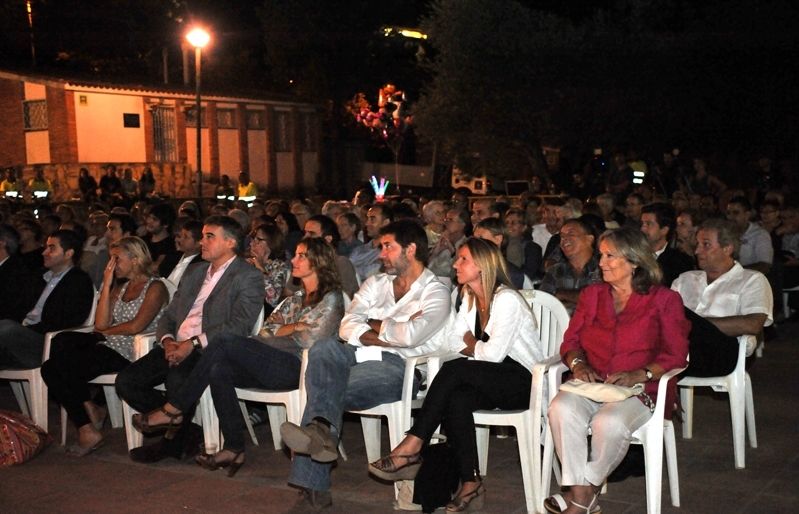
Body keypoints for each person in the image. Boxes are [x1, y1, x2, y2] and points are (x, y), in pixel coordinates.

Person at [130, 237, 345, 475]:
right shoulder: (293, 299)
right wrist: (294, 328)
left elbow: (311, 339)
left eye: (301, 255)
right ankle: (234, 447)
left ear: (319, 262)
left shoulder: (332, 299)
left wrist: (289, 329)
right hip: (268, 361)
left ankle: (174, 408)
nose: (293, 260)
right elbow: (266, 332)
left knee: (223, 339)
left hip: (296, 368)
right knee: (217, 368)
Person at [280, 219, 451, 509]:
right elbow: (347, 325)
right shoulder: (376, 283)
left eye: (388, 247)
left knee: (322, 394)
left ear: (410, 250)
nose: (380, 254)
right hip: (355, 355)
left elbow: (414, 335)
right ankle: (320, 432)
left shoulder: (436, 291)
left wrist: (372, 328)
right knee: (324, 348)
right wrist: (390, 330)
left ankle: (313, 478)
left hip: (400, 368)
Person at [368, 237, 544, 512]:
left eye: (463, 259)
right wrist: (474, 346)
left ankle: (414, 443)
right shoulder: (469, 297)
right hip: (487, 377)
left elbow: (493, 354)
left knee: (454, 370)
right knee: (457, 399)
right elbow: (451, 343)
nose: (454, 264)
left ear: (483, 266)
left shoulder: (507, 299)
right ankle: (470, 481)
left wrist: (471, 344)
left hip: (523, 380)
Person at [545, 227, 689, 514]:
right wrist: (578, 364)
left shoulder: (664, 300)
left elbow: (676, 354)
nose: (601, 263)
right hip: (593, 383)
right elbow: (571, 342)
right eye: (601, 255)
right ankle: (583, 493)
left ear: (635, 262)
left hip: (640, 389)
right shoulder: (592, 295)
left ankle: (580, 498)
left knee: (608, 423)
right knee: (559, 408)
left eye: (611, 256)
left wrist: (641, 374)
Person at [115, 216, 264, 463]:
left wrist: (193, 343)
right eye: (203, 236)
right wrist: (167, 340)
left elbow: (240, 325)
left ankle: (171, 443)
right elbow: (170, 314)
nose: (202, 242)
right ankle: (188, 428)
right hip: (174, 345)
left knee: (178, 380)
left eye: (209, 237)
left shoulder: (247, 276)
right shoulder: (195, 271)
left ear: (230, 242)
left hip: (208, 350)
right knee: (126, 382)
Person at [40, 237, 169, 455]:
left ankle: (89, 421)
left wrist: (105, 332)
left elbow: (136, 326)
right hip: (107, 345)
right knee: (59, 345)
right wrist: (107, 283)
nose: (112, 264)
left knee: (54, 367)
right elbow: (100, 323)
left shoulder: (155, 287)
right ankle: (90, 414)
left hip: (130, 351)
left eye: (117, 259)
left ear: (135, 260)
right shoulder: (121, 288)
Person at [671, 218, 773, 376]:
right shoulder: (685, 279)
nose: (697, 251)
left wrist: (694, 325)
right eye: (697, 244)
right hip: (682, 348)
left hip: (723, 353)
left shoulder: (752, 280)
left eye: (706, 245)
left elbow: (753, 324)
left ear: (727, 248)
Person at [0, 229, 95, 369]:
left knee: (6, 327)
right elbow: (19, 307)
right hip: (20, 337)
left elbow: (67, 321)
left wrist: (25, 328)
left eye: (52, 248)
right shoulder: (39, 277)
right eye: (46, 248)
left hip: (47, 343)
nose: (44, 253)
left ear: (68, 253)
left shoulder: (78, 282)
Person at [538, 217, 602, 313]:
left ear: (589, 239)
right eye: (562, 236)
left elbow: (601, 300)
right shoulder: (555, 271)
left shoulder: (603, 268)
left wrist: (561, 294)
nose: (564, 239)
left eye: (571, 234)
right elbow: (543, 303)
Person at [302, 215, 359, 298]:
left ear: (328, 239)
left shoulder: (341, 264)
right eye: (305, 233)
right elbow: (289, 292)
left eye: (312, 234)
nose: (305, 238)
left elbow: (347, 300)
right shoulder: (301, 262)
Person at [639, 202, 695, 286]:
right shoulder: (634, 255)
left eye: (648, 224)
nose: (642, 229)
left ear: (664, 230)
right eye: (642, 223)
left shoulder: (679, 262)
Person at [246, 223, 290, 312]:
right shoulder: (247, 262)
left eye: (258, 239)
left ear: (271, 243)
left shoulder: (279, 267)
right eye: (253, 239)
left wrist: (260, 269)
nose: (251, 243)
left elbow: (273, 300)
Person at [726, 196, 773, 275]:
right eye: (728, 213)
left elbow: (765, 266)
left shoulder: (760, 235)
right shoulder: (724, 233)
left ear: (747, 215)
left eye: (736, 213)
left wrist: (734, 272)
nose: (730, 217)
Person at [349, 203, 393, 283]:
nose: (367, 223)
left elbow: (371, 273)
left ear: (385, 223)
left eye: (372, 220)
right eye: (367, 219)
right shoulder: (359, 250)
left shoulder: (389, 252)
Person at [165, 219, 204, 288]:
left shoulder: (200, 265)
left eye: (186, 237)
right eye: (181, 236)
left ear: (198, 243)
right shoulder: (173, 256)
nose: (180, 239)